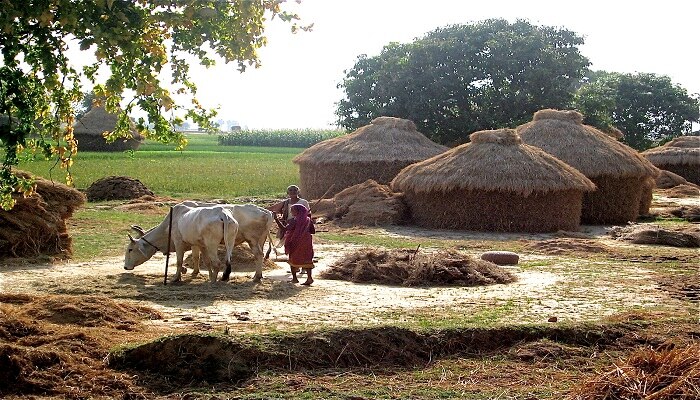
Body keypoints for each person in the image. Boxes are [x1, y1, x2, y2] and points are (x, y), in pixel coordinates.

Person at [284, 203, 315, 285]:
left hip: (295, 241)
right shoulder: (308, 220)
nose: (291, 212)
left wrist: (276, 219)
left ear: (298, 211)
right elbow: (313, 231)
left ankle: (294, 278)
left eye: (292, 210)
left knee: (293, 258)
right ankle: (309, 278)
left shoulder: (294, 220)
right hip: (307, 242)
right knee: (307, 259)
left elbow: (284, 229)